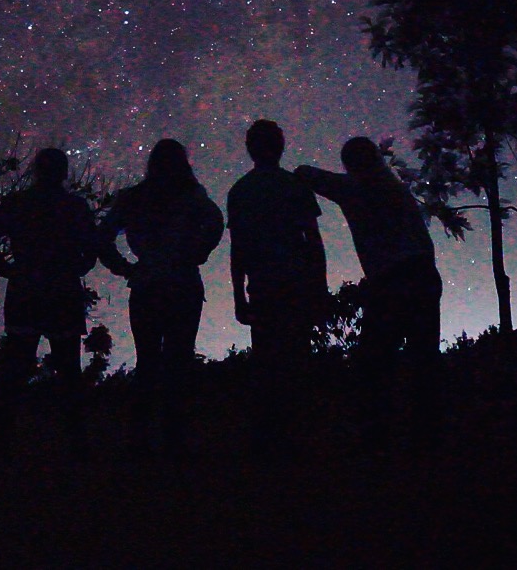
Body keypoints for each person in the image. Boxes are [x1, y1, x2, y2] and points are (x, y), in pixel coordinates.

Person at [295, 136, 443, 444]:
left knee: (376, 362)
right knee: (423, 358)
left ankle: (377, 433)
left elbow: (307, 174)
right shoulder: (395, 189)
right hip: (423, 274)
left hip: (391, 279)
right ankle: (426, 431)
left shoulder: (355, 189)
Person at [98, 139, 224, 454]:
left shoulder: (134, 198)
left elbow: (102, 236)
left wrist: (124, 268)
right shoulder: (192, 196)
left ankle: (140, 438)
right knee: (178, 361)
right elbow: (216, 222)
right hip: (182, 282)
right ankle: (173, 438)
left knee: (148, 362)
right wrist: (200, 251)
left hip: (147, 285)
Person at [0, 147, 98, 456]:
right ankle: (76, 441)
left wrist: (5, 269)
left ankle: (3, 441)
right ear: (63, 172)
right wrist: (78, 266)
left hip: (26, 290)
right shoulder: (74, 206)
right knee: (68, 369)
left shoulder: (18, 204)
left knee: (16, 369)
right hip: (62, 292)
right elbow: (91, 248)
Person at [227, 119, 327, 453]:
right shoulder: (294, 186)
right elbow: (313, 240)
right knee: (298, 358)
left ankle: (272, 437)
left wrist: (239, 295)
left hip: (264, 286)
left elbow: (238, 248)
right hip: (296, 283)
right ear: (280, 146)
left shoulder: (240, 191)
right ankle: (300, 435)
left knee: (267, 360)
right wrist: (320, 286)